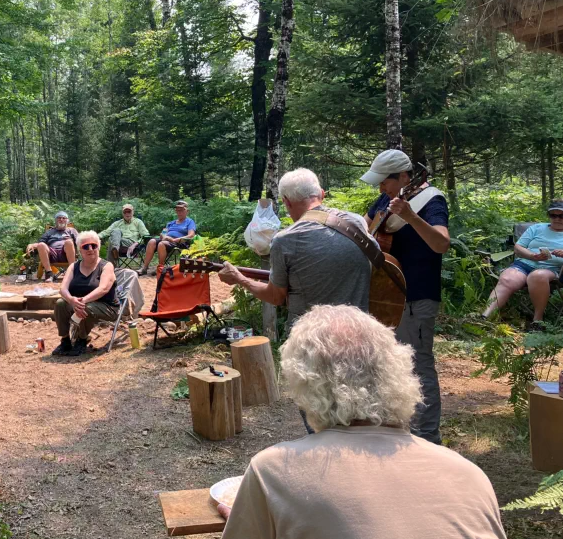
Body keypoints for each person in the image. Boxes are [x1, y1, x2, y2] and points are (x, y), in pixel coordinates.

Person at [210, 305, 512, 539]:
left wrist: (253, 530)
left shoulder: (274, 470)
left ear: (302, 382)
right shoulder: (468, 474)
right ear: (398, 370)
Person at [363, 149, 450, 445]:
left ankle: (427, 437)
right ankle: (397, 429)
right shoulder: (385, 199)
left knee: (418, 365)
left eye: (384, 182)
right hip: (386, 295)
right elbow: (366, 228)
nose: (380, 188)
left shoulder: (432, 200)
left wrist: (411, 217)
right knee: (388, 363)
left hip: (416, 296)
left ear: (403, 177)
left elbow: (441, 244)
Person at [216, 169, 374, 331]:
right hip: (359, 333)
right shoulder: (357, 222)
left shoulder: (285, 240)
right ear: (321, 194)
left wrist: (239, 278)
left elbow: (275, 296)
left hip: (310, 340)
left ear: (287, 202)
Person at [482, 200, 563, 325]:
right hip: (525, 263)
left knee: (537, 276)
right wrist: (532, 255)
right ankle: (484, 317)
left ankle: (537, 321)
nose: (557, 219)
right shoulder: (536, 228)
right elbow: (518, 247)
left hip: (550, 269)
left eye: (561, 215)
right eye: (553, 215)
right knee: (508, 278)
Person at [52, 230, 118, 357]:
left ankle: (81, 340)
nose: (90, 249)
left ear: (98, 247)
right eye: (85, 246)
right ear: (80, 250)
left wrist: (81, 301)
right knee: (60, 303)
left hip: (107, 307)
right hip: (80, 304)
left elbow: (103, 289)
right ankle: (65, 341)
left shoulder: (107, 266)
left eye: (94, 245)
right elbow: (63, 289)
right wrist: (71, 300)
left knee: (85, 307)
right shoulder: (73, 266)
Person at [137, 200, 196, 276]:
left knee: (162, 244)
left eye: (182, 210)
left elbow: (191, 235)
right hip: (168, 240)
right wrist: (164, 236)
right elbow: (163, 233)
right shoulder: (171, 223)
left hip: (180, 242)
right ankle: (144, 268)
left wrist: (176, 239)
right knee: (152, 241)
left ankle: (160, 268)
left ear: (187, 211)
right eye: (178, 210)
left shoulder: (190, 222)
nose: (179, 212)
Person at [25, 212, 78, 283]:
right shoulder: (49, 232)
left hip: (66, 253)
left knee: (69, 242)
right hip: (52, 254)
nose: (61, 219)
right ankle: (49, 274)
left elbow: (80, 240)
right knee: (41, 245)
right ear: (55, 220)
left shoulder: (71, 230)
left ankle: (72, 271)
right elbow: (40, 242)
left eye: (64, 218)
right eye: (59, 218)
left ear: (67, 220)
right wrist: (32, 245)